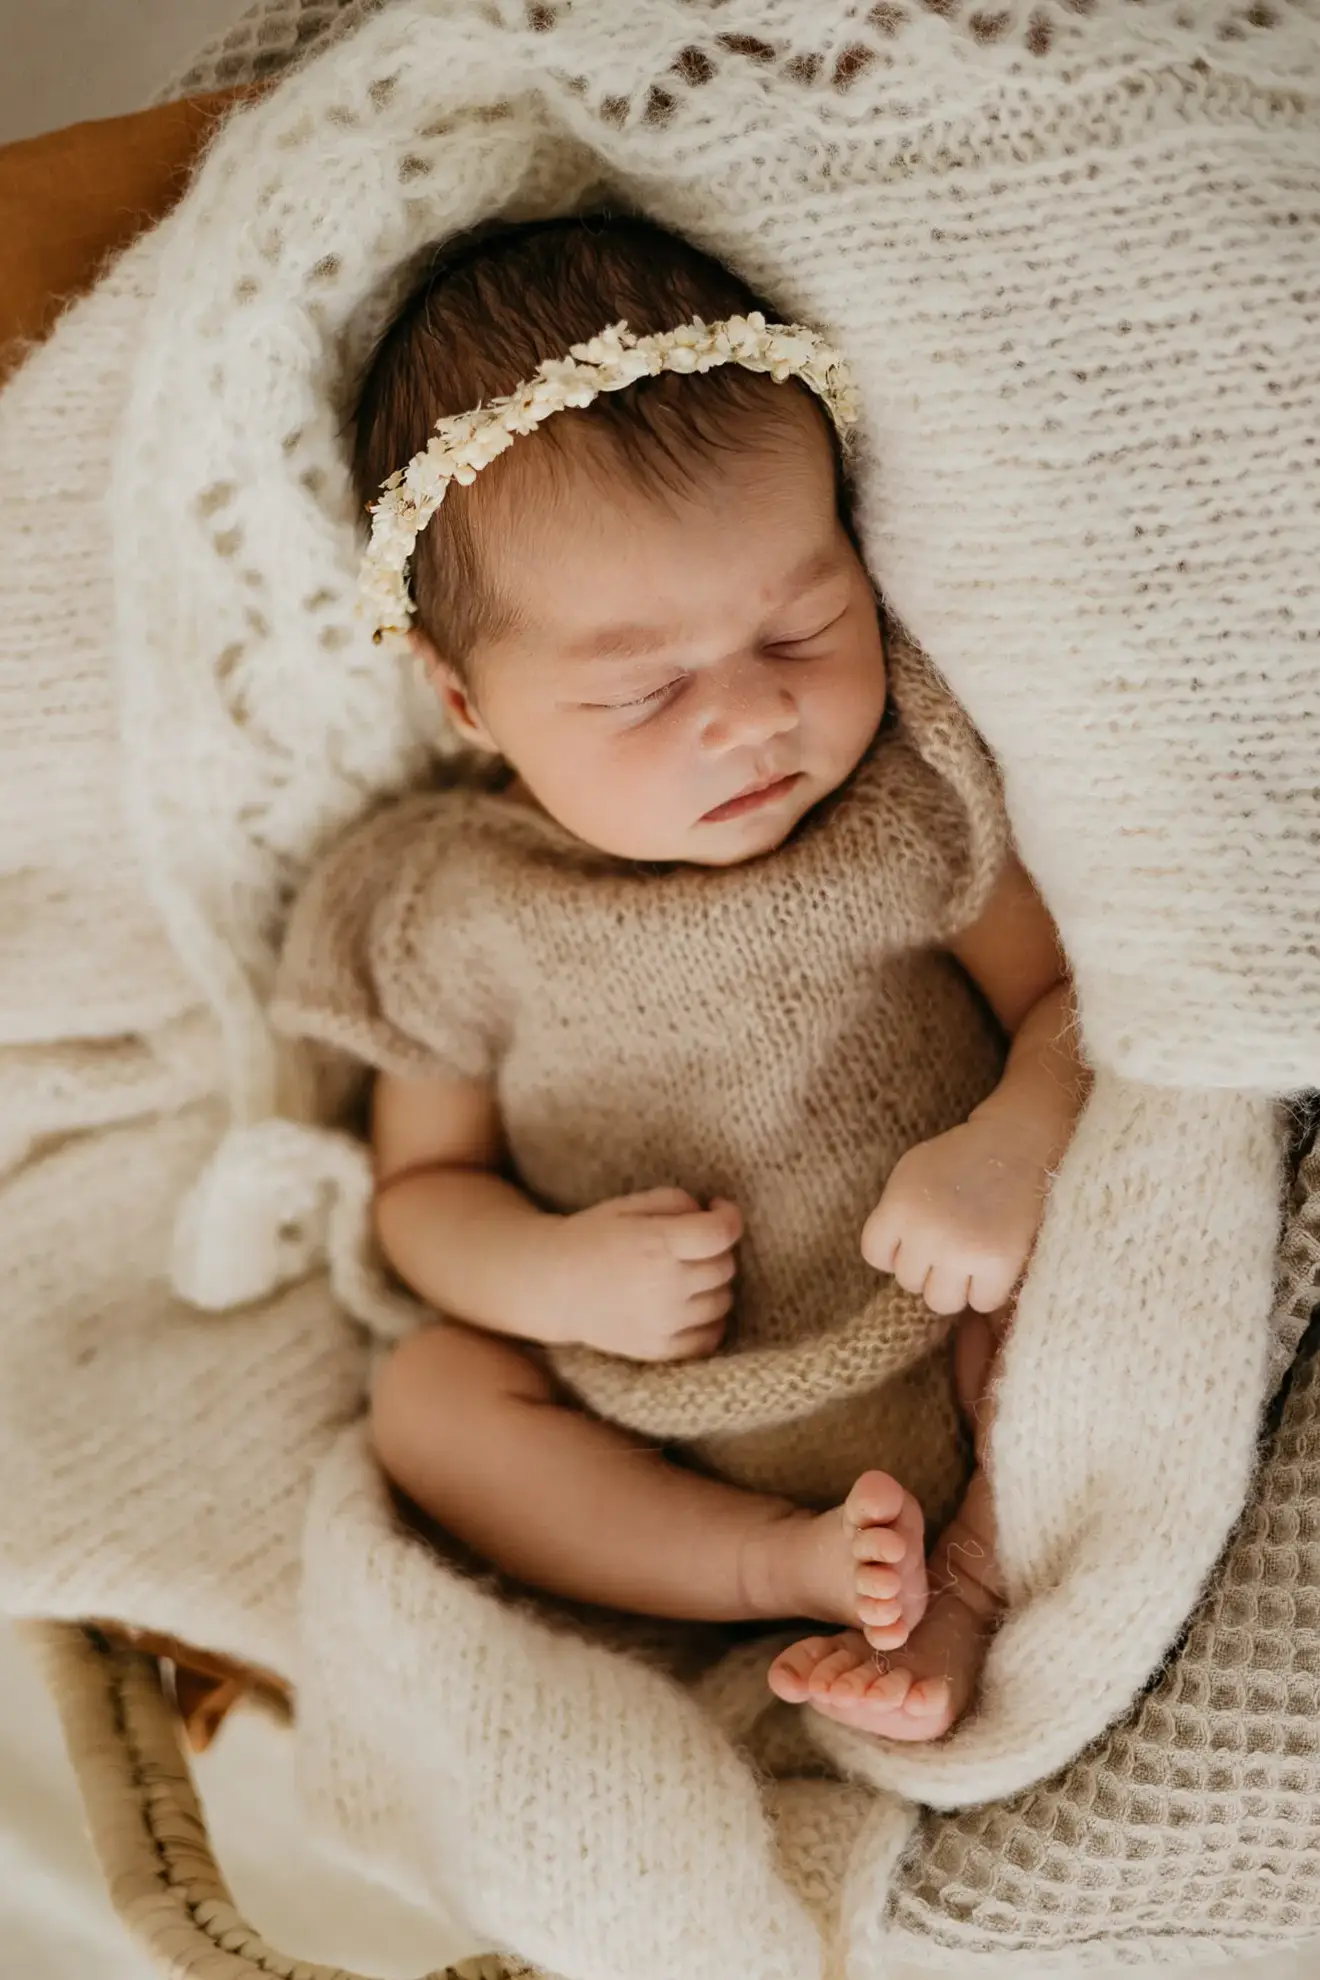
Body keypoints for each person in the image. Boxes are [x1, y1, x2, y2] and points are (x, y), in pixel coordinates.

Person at [273, 215, 1086, 1741]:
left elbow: (1074, 1011)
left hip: (956, 1329)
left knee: (1104, 1277)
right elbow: (420, 1198)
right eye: (641, 689)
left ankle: (965, 1594)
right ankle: (764, 1569)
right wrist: (548, 1272)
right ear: (465, 699)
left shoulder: (907, 809)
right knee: (433, 1403)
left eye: (803, 624)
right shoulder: (453, 907)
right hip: (645, 1417)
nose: (748, 718)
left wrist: (1011, 1147)